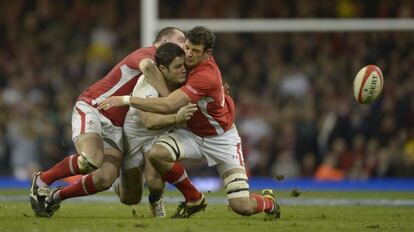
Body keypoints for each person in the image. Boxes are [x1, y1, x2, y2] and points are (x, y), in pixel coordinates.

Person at [98, 26, 281, 219]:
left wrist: (126, 100)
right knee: (157, 154)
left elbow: (169, 104)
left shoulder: (205, 75)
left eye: (195, 51)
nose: (189, 54)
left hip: (222, 139)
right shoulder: (185, 61)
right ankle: (193, 198)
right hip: (192, 134)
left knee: (241, 206)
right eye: (187, 48)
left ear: (207, 54)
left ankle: (269, 202)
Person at [29, 27, 186, 217]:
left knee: (107, 180)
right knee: (91, 160)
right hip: (94, 107)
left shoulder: (175, 67)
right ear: (163, 40)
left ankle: (56, 196)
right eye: (180, 39)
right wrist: (168, 100)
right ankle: (42, 180)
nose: (184, 44)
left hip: (118, 125)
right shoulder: (148, 54)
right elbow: (147, 66)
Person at [115, 42, 198, 218]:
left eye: (183, 65)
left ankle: (155, 200)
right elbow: (150, 122)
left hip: (159, 136)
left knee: (154, 182)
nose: (183, 70)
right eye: (177, 67)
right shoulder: (147, 86)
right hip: (134, 138)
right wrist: (177, 118)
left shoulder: (184, 78)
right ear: (162, 69)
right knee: (130, 198)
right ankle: (119, 183)